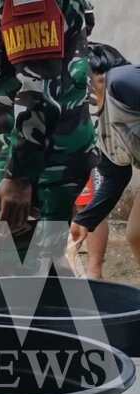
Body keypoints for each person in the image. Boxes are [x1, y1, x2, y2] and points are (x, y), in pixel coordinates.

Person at [0, 0, 96, 276]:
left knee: (8, 287)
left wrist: (19, 175)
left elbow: (37, 87)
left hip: (33, 167)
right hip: (37, 160)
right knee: (40, 276)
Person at [71, 48, 140, 270]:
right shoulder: (101, 129)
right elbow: (116, 177)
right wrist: (84, 221)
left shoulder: (122, 81)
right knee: (136, 234)